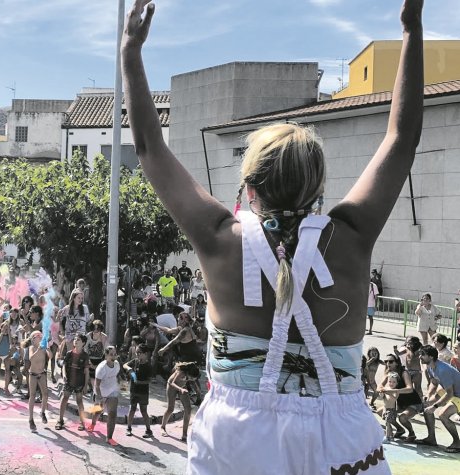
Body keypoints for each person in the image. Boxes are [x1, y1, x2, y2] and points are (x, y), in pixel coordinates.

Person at [123, 0, 423, 470]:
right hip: (341, 437)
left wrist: (130, 52)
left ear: (249, 186)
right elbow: (401, 137)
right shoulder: (351, 235)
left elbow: (147, 146)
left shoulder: (219, 236)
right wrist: (411, 29)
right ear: (319, 187)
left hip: (238, 441)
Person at [415, 345, 460, 452]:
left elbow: (449, 394)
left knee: (443, 415)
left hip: (457, 395)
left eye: (423, 355)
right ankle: (431, 439)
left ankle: (457, 443)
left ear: (430, 357)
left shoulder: (443, 369)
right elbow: (434, 382)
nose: (420, 357)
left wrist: (435, 406)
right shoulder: (430, 367)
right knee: (426, 405)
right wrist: (428, 395)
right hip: (451, 392)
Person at [56, 333, 90, 432]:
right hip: (69, 381)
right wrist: (64, 375)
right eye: (75, 339)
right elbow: (64, 366)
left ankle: (82, 422)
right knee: (64, 399)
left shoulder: (85, 356)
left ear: (83, 343)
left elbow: (86, 372)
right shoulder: (69, 353)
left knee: (79, 402)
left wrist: (85, 386)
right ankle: (60, 420)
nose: (75, 341)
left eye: (78, 340)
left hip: (79, 382)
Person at [89, 345, 121, 446]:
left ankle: (109, 437)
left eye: (115, 354)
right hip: (101, 392)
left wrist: (120, 383)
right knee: (98, 411)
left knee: (112, 414)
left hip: (112, 391)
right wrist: (101, 398)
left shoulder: (117, 364)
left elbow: (116, 375)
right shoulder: (101, 368)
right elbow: (97, 385)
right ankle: (93, 423)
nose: (113, 356)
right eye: (111, 354)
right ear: (106, 355)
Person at [161, 361, 200, 442]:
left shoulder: (191, 374)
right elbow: (173, 383)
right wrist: (181, 389)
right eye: (191, 378)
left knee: (188, 410)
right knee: (170, 409)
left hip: (182, 387)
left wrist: (198, 391)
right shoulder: (181, 372)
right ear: (188, 373)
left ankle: (184, 434)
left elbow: (194, 382)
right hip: (172, 386)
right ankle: (163, 427)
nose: (191, 380)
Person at [124, 344, 153, 438]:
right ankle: (129, 428)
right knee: (132, 409)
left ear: (145, 354)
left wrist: (139, 382)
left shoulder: (148, 366)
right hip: (133, 391)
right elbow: (125, 365)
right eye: (136, 352)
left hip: (143, 392)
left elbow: (149, 380)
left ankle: (148, 430)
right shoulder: (135, 361)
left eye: (139, 353)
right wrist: (129, 369)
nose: (137, 355)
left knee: (143, 411)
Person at [23, 330, 49, 431]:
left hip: (42, 374)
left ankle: (42, 412)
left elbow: (50, 356)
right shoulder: (31, 348)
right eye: (37, 336)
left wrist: (48, 349)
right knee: (32, 396)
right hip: (33, 375)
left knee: (45, 394)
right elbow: (31, 359)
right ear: (33, 339)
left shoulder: (43, 348)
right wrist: (38, 349)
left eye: (40, 336)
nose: (40, 337)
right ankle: (31, 419)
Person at [380, 372, 401, 443]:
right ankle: (391, 436)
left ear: (397, 383)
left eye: (394, 382)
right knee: (387, 423)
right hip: (385, 408)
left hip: (391, 410)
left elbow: (394, 398)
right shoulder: (386, 388)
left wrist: (387, 392)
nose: (391, 383)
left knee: (388, 424)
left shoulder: (396, 391)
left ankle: (387, 437)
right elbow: (382, 398)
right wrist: (382, 393)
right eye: (390, 381)